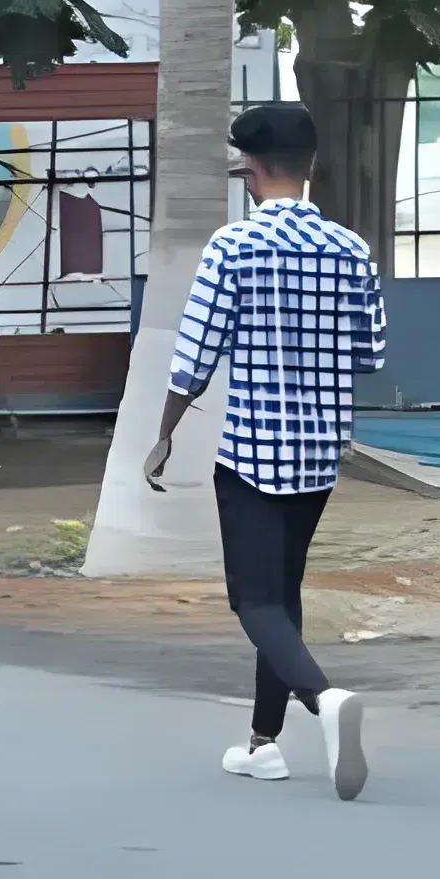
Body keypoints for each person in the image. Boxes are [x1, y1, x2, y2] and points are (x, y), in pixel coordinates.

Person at [145, 103, 388, 797]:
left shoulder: (233, 247)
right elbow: (369, 354)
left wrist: (163, 433)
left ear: (250, 173)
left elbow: (194, 358)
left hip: (252, 451)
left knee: (253, 601)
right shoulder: (351, 249)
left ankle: (323, 699)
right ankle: (263, 743)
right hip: (319, 452)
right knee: (282, 595)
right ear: (311, 168)